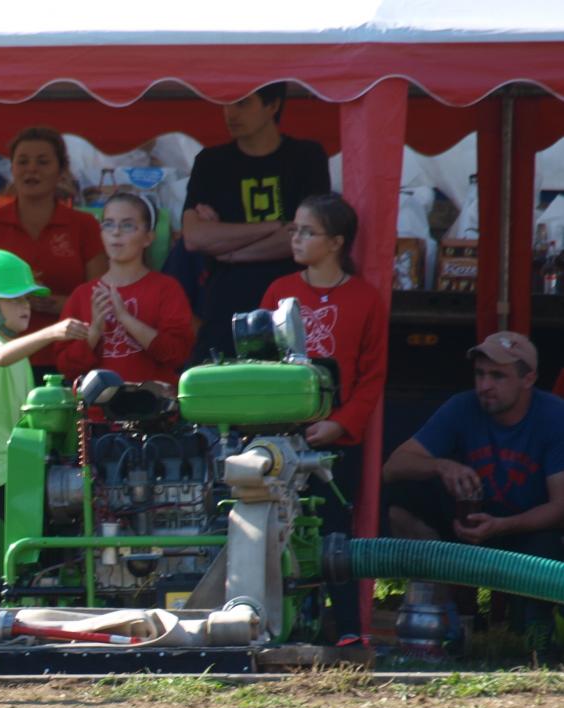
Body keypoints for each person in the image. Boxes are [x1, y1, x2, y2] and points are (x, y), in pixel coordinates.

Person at [260, 193, 388, 643]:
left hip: (337, 442)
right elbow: (260, 364)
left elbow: (372, 378)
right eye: (294, 229)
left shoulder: (366, 298)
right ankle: (279, 625)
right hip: (281, 438)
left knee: (334, 533)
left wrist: (340, 423)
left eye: (307, 231)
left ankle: (348, 629)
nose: (296, 238)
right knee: (276, 530)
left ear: (335, 242)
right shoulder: (278, 291)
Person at [383, 331, 564, 642]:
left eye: (497, 376)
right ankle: (440, 615)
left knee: (531, 633)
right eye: (480, 374)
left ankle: (534, 635)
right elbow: (392, 467)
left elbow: (560, 507)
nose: (484, 385)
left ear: (528, 379)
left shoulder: (555, 416)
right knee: (402, 501)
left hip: (530, 530)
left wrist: (504, 525)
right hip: (468, 522)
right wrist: (441, 465)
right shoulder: (462, 406)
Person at [0, 249, 88, 605]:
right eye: (14, 299)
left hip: (11, 466)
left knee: (40, 541)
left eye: (26, 298)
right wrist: (53, 332)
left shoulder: (9, 345)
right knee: (42, 542)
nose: (25, 306)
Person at [182, 83, 331, 362]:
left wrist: (230, 250)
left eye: (242, 103)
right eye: (226, 103)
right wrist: (274, 226)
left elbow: (305, 237)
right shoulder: (210, 162)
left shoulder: (306, 157)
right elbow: (194, 237)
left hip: (290, 307)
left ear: (272, 105)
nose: (230, 113)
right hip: (224, 309)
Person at [0, 127, 106, 319]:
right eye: (22, 162)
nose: (31, 169)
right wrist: (14, 302)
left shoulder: (85, 225)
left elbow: (101, 302)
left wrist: (60, 304)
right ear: (12, 169)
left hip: (70, 336)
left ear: (61, 170)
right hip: (4, 339)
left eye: (43, 162)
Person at [56, 193, 194, 385]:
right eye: (108, 224)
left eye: (127, 225)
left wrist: (125, 318)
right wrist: (94, 331)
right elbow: (66, 366)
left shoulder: (166, 288)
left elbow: (178, 354)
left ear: (148, 238)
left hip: (153, 402)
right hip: (97, 404)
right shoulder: (82, 295)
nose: (116, 232)